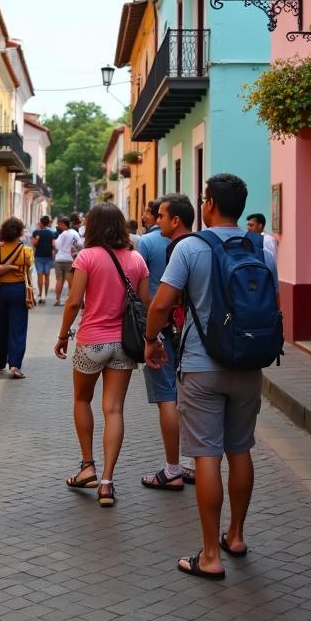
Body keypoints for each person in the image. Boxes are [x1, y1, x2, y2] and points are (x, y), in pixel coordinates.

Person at [145, 173, 277, 580]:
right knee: (241, 450)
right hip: (249, 364)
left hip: (203, 366)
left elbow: (162, 304)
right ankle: (235, 537)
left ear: (209, 205)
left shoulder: (190, 248)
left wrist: (151, 340)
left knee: (206, 456)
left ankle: (209, 555)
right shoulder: (262, 250)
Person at [54, 204, 149, 507]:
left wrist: (61, 336)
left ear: (92, 226)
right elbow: (145, 303)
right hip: (124, 344)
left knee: (82, 400)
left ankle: (87, 467)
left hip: (92, 342)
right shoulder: (136, 259)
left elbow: (73, 302)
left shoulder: (87, 257)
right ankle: (107, 482)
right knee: (114, 410)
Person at [138, 194, 195, 491]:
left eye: (160, 216)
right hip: (192, 333)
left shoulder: (148, 244)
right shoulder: (203, 243)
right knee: (191, 398)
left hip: (162, 326)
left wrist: (149, 336)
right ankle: (195, 464)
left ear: (175, 220)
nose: (154, 221)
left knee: (167, 397)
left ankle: (173, 468)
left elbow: (147, 294)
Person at [0, 216, 34, 378]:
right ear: (20, 232)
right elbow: (28, 271)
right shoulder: (26, 251)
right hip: (18, 290)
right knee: (18, 328)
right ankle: (15, 365)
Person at [52, 215, 80, 306]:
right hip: (69, 259)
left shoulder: (63, 234)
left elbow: (56, 246)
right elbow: (79, 244)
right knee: (70, 281)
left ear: (64, 224)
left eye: (60, 224)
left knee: (59, 280)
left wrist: (54, 243)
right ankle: (69, 299)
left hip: (59, 259)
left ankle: (57, 299)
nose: (58, 226)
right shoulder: (74, 233)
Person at [29, 214, 57, 305]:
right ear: (48, 223)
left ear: (41, 223)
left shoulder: (36, 232)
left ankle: (41, 294)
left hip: (38, 256)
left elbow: (35, 243)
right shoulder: (51, 233)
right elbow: (53, 245)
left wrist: (33, 240)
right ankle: (46, 294)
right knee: (47, 276)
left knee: (40, 275)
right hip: (48, 256)